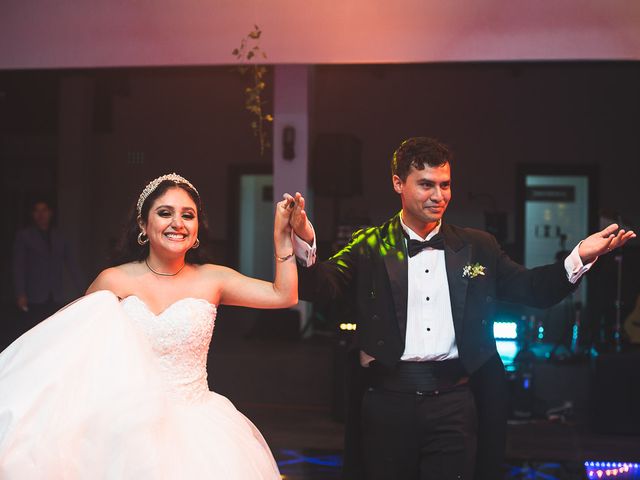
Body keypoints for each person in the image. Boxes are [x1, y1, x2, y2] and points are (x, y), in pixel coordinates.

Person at [288, 137, 635, 480]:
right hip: (387, 400)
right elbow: (322, 287)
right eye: (426, 185)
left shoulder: (478, 246)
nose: (438, 196)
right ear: (398, 183)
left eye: (445, 185)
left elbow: (533, 290)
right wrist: (304, 238)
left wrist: (580, 256)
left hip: (455, 401)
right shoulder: (369, 245)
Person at [0, 173, 299, 479]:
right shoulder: (113, 280)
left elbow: (283, 295)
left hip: (200, 428)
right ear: (143, 225)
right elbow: (78, 351)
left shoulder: (213, 278)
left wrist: (282, 236)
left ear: (196, 230)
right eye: (165, 213)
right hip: (125, 429)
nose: (177, 223)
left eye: (188, 215)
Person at [13, 199, 84, 330]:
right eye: (37, 211)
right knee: (33, 329)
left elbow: (72, 264)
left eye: (44, 210)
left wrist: (84, 290)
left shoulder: (60, 236)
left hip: (56, 293)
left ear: (50, 213)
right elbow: (19, 266)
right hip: (34, 294)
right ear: (32, 214)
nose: (41, 214)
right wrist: (20, 294)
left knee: (53, 329)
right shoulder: (24, 236)